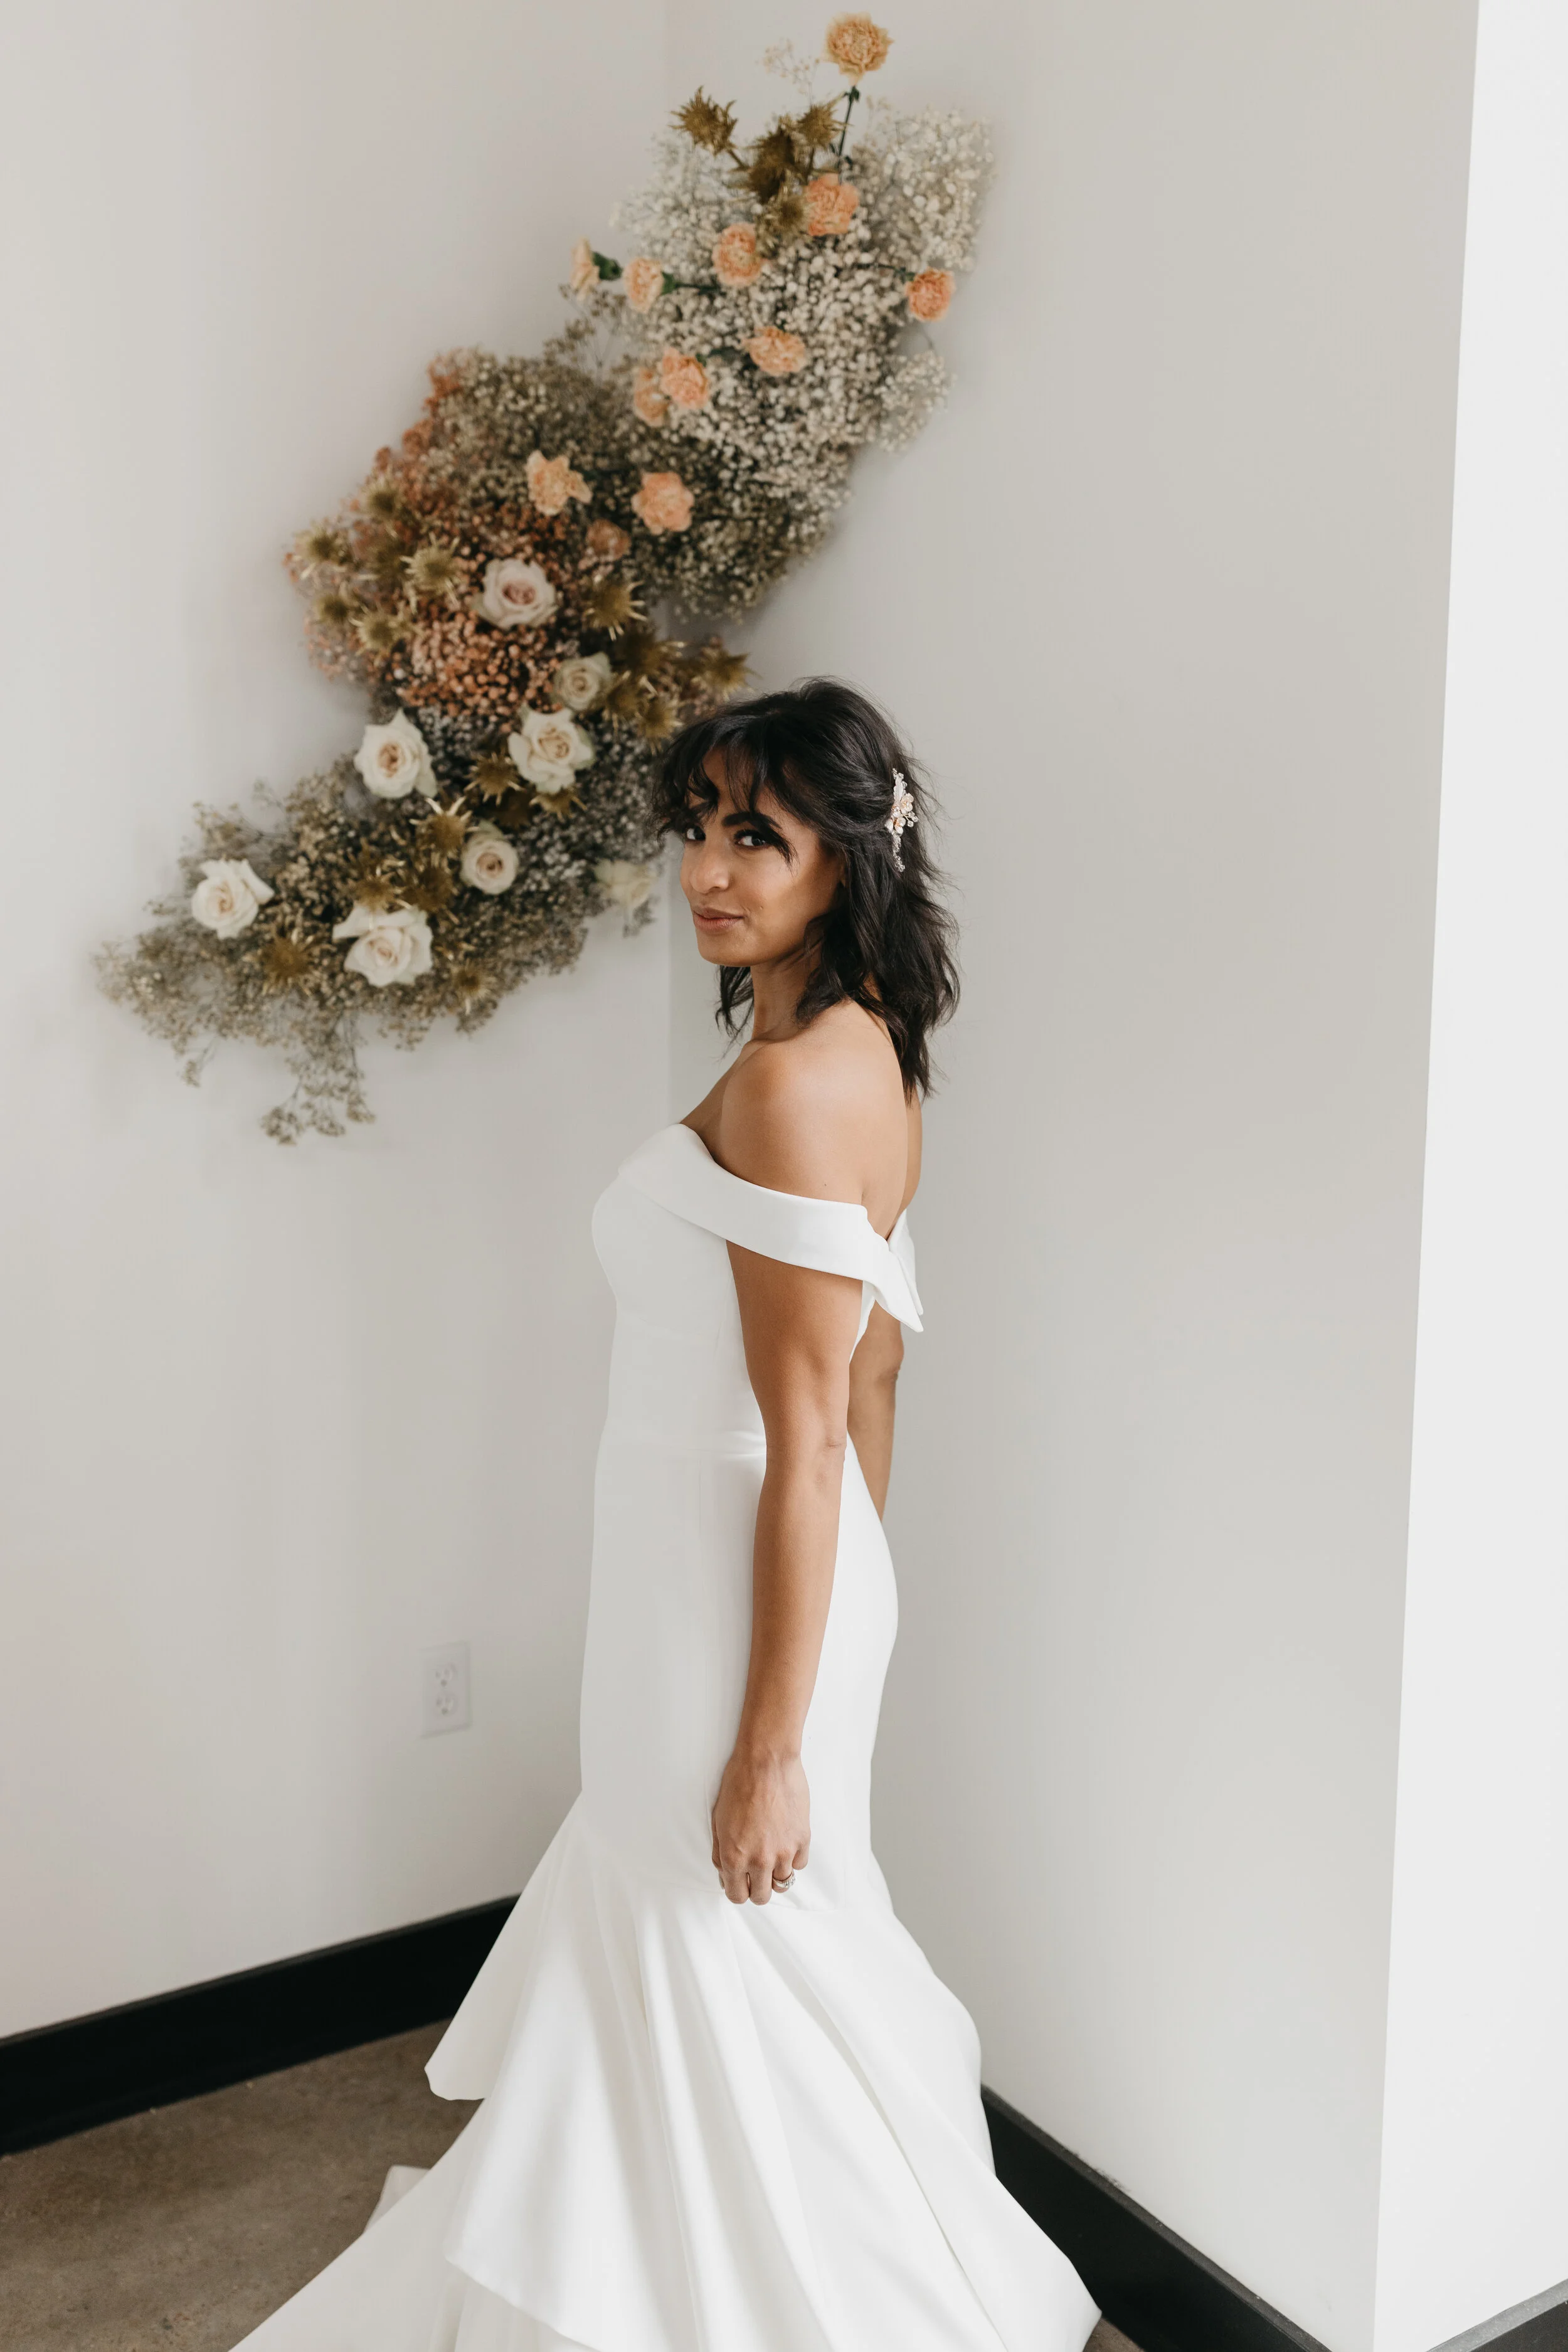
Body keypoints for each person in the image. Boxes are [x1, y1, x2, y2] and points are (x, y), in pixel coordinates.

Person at [238, 679, 1099, 2351]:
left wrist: (775, 1730)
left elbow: (804, 1433)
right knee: (729, 1937)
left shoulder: (792, 1089)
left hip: (728, 1598)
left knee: (711, 1927)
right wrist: (847, 1629)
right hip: (747, 1586)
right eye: (697, 828)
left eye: (756, 836)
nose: (710, 868)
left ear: (843, 861)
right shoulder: (858, 1060)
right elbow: (874, 1396)